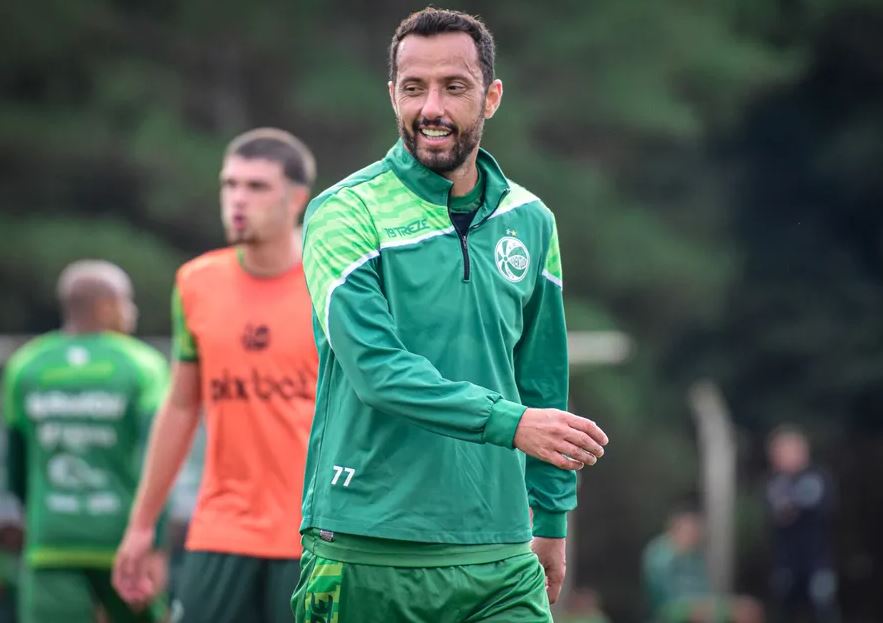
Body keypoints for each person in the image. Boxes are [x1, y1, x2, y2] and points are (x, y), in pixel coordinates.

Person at [292, 8, 609, 622]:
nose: (431, 107)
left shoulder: (531, 219)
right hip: (368, 544)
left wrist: (550, 518)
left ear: (490, 97)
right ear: (392, 96)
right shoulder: (343, 214)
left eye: (454, 87)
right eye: (414, 88)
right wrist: (512, 424)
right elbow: (378, 371)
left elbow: (541, 379)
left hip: (501, 554)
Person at [112, 128, 319, 623]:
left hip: (315, 533)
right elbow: (182, 406)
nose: (237, 200)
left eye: (255, 187)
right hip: (220, 531)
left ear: (296, 198)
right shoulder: (196, 283)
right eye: (230, 186)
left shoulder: (332, 283)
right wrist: (142, 526)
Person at [2, 260, 168, 623]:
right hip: (124, 542)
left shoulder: (26, 365)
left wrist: (38, 509)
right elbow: (159, 458)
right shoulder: (142, 364)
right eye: (128, 301)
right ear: (107, 305)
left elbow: (14, 464)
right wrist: (155, 540)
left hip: (52, 538)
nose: (132, 311)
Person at [766, 425, 839, 623]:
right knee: (784, 610)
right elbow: (776, 512)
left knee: (823, 608)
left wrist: (791, 507)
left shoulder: (818, 476)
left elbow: (820, 507)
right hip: (786, 562)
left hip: (817, 560)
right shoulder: (775, 480)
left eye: (787, 450)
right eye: (778, 452)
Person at [642, 506, 763, 623]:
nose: (696, 536)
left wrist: (727, 605)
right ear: (676, 530)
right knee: (710, 615)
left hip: (701, 605)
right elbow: (668, 602)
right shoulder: (660, 556)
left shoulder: (694, 554)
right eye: (691, 531)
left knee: (749, 609)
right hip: (671, 611)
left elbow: (705, 592)